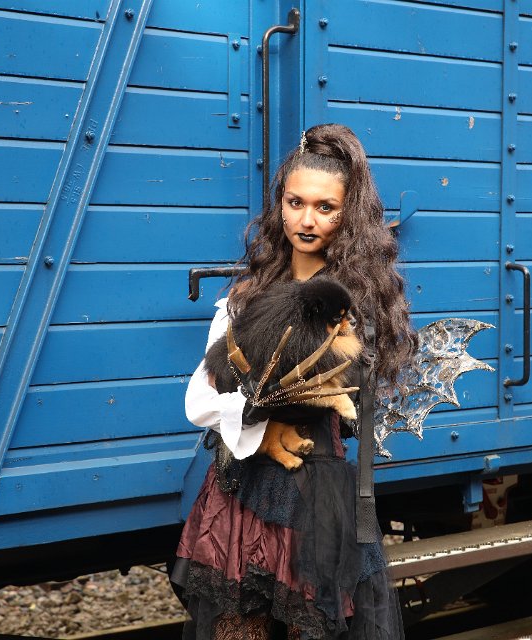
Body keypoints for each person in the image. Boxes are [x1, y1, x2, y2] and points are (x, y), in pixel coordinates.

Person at [169, 123, 417, 640]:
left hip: (318, 499)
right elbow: (198, 401)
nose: (306, 220)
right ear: (279, 205)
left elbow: (356, 408)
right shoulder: (247, 298)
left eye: (326, 207)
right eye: (295, 202)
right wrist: (257, 416)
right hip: (243, 495)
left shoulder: (354, 304)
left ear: (349, 213)